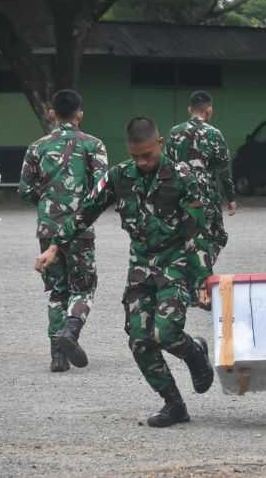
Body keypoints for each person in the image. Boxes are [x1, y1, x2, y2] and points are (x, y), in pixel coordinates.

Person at [35, 116, 214, 427]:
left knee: (167, 333)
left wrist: (203, 280)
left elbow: (197, 232)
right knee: (140, 340)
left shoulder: (183, 176)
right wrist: (54, 246)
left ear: (160, 143)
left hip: (176, 263)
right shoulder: (119, 176)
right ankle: (174, 405)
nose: (142, 162)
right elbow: (85, 212)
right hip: (141, 268)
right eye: (135, 156)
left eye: (147, 155)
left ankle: (195, 352)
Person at [19, 89, 108, 372]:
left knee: (58, 290)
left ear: (52, 113)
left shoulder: (37, 147)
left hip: (47, 228)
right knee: (83, 287)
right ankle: (71, 332)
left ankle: (57, 355)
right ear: (80, 113)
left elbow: (24, 189)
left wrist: (47, 204)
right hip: (80, 228)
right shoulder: (94, 145)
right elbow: (103, 188)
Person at [166, 91, 236, 276]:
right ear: (209, 110)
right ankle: (201, 272)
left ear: (190, 109)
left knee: (182, 236)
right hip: (206, 197)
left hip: (179, 195)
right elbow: (223, 170)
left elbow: (166, 166)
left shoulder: (174, 132)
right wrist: (231, 198)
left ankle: (187, 271)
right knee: (216, 236)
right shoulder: (214, 134)